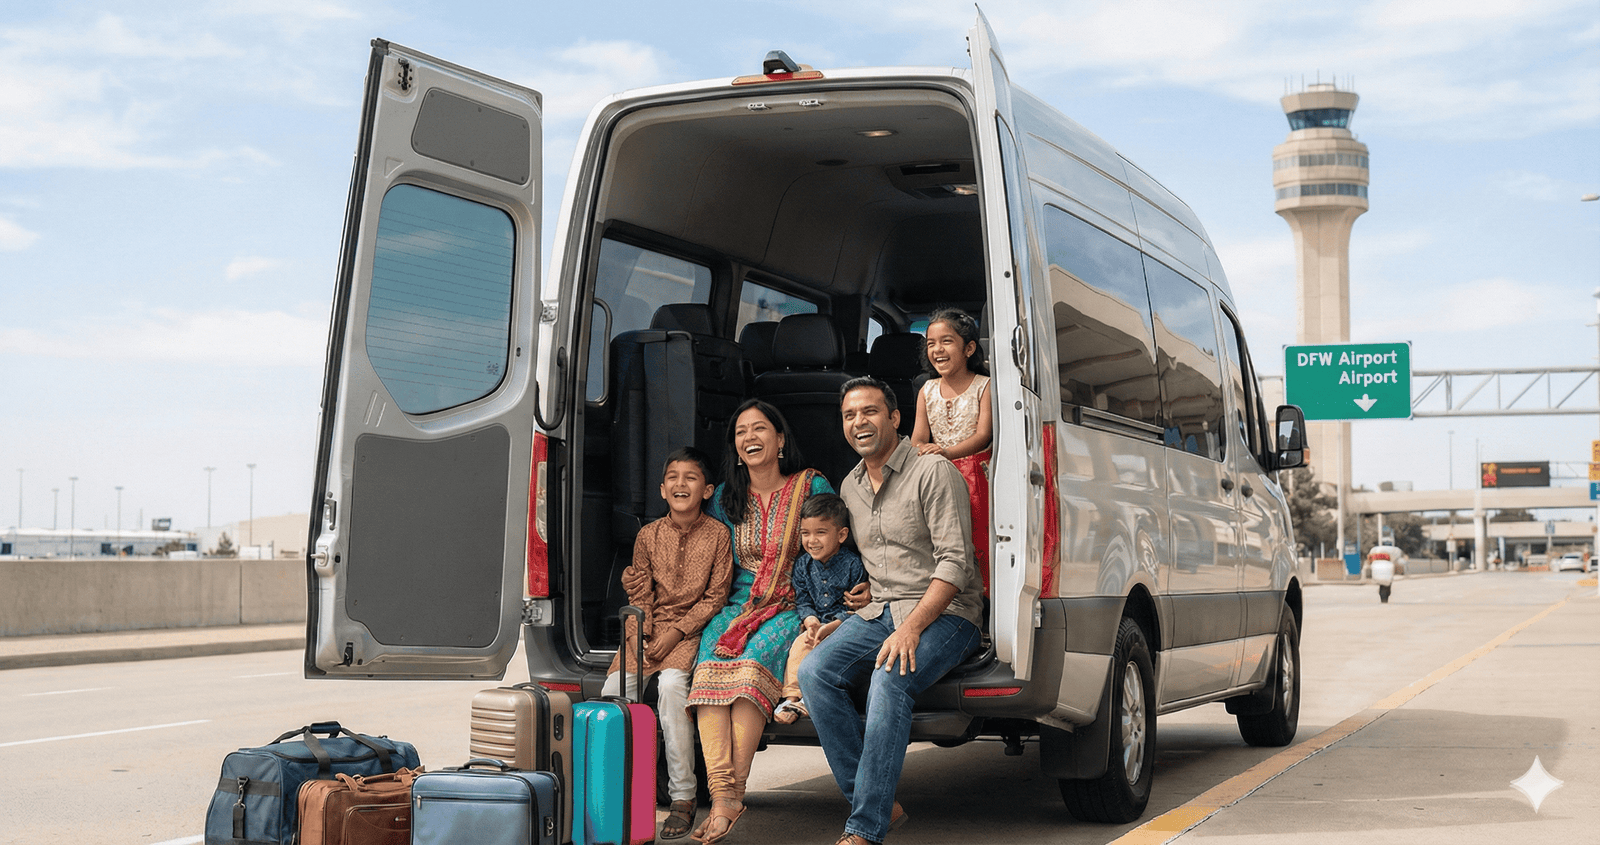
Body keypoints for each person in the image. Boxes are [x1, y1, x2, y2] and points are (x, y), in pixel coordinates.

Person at [800, 376, 983, 845]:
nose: (859, 422)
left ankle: (865, 826)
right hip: (880, 611)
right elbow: (867, 558)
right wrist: (855, 604)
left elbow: (955, 564)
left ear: (895, 418)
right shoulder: (850, 485)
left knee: (888, 676)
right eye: (849, 415)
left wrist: (912, 629)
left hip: (947, 613)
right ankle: (879, 799)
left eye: (869, 412)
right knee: (815, 671)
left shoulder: (932, 471)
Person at [686, 399, 833, 844]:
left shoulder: (811, 484)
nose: (750, 438)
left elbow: (836, 542)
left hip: (793, 604)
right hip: (736, 607)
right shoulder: (728, 499)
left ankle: (731, 799)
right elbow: (706, 556)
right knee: (710, 676)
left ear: (781, 439)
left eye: (760, 429)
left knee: (749, 672)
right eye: (740, 433)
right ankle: (723, 796)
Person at [602, 446, 734, 840]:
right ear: (662, 490)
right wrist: (641, 636)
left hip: (687, 632)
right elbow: (640, 593)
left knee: (673, 690)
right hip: (644, 630)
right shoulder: (648, 535)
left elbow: (716, 597)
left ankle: (683, 796)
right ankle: (617, 792)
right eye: (673, 477)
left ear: (707, 490)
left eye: (690, 477)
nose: (681, 484)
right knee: (613, 694)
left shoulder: (718, 535)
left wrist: (673, 635)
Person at [910, 308, 993, 594]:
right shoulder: (927, 390)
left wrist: (945, 453)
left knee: (976, 536)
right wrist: (926, 452)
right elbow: (918, 438)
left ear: (969, 348)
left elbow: (982, 436)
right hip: (938, 472)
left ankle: (983, 593)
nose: (937, 349)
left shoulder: (985, 387)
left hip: (975, 475)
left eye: (946, 341)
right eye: (931, 343)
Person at [773, 493, 866, 725]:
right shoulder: (803, 565)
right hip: (817, 624)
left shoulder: (853, 565)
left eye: (820, 533)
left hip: (843, 626)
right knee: (799, 646)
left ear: (842, 534)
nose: (811, 540)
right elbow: (803, 600)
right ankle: (791, 697)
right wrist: (811, 621)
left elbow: (858, 608)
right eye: (805, 533)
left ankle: (808, 698)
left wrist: (835, 625)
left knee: (827, 651)